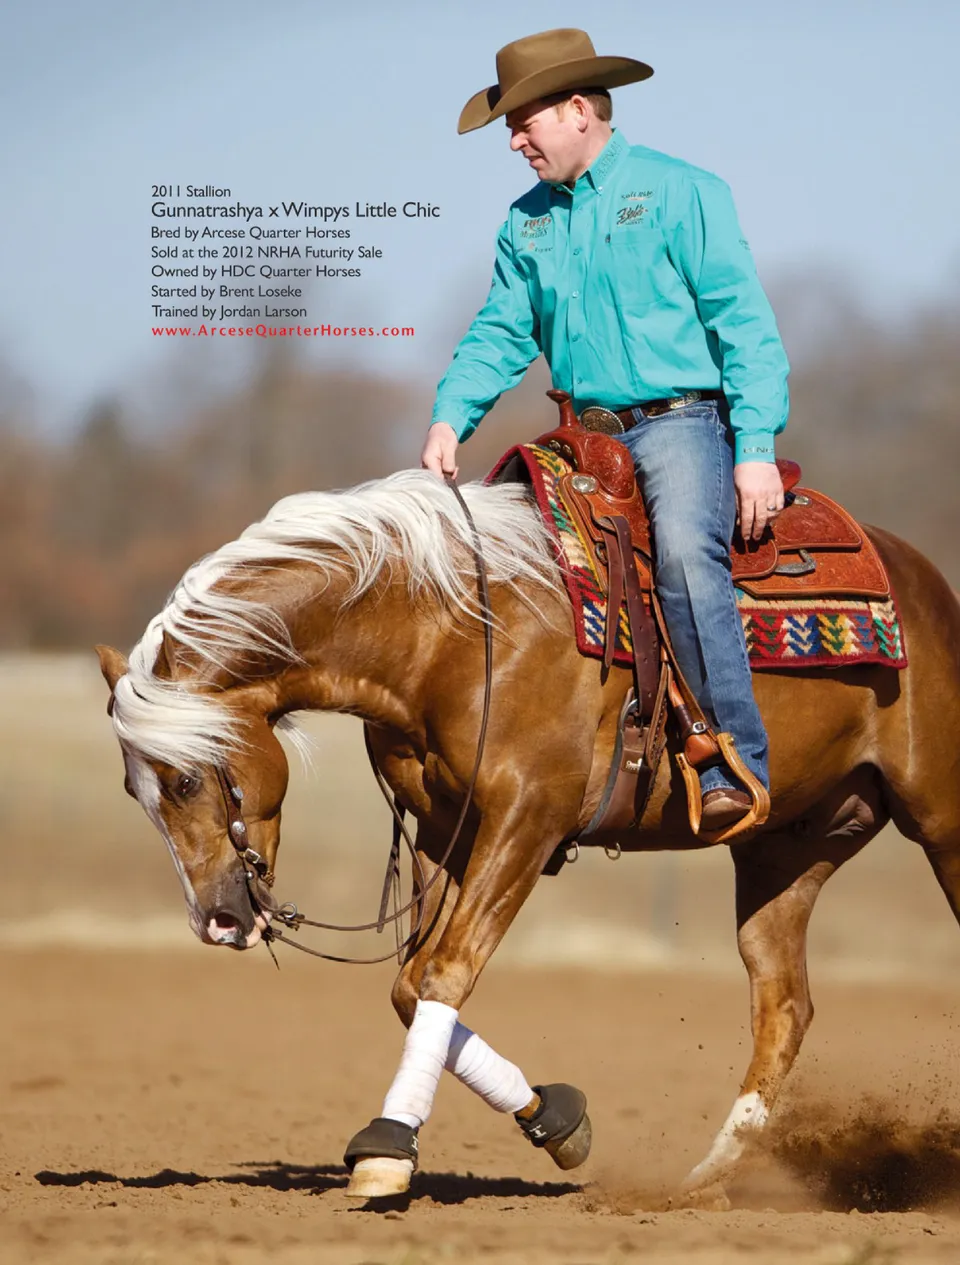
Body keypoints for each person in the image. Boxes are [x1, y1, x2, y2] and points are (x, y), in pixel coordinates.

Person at [420, 28, 790, 831]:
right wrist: (452, 414)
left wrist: (755, 448)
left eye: (524, 123)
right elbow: (500, 331)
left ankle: (733, 760)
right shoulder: (525, 223)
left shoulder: (681, 191)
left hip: (679, 423)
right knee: (503, 564)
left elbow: (744, 325)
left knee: (685, 555)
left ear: (578, 110)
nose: (514, 142)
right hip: (577, 440)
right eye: (509, 128)